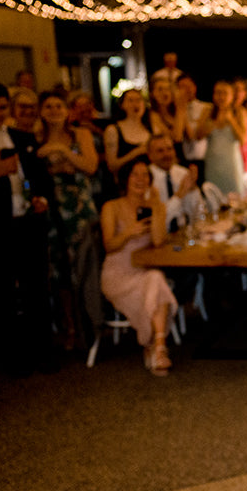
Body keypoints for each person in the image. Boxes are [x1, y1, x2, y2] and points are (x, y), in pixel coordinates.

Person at [0, 80, 56, 376]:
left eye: (1, 107)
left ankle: (42, 354)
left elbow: (39, 179)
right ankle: (11, 360)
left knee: (37, 292)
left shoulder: (22, 138)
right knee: (2, 297)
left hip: (28, 226)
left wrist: (40, 198)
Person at [36, 90, 103, 350]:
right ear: (42, 111)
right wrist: (61, 164)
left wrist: (61, 150)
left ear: (67, 111)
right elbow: (37, 172)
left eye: (59, 106)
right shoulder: (36, 138)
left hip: (80, 207)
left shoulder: (80, 135)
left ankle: (90, 322)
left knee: (85, 264)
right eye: (49, 106)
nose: (54, 111)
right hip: (53, 209)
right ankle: (69, 326)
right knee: (59, 269)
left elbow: (90, 166)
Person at [100, 159, 178, 376]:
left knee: (154, 278)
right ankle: (157, 347)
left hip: (144, 271)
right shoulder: (112, 206)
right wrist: (128, 232)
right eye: (135, 174)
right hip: (117, 273)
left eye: (145, 175)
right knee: (156, 280)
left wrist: (155, 209)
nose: (140, 179)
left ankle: (156, 348)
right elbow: (108, 246)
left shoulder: (156, 206)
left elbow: (159, 241)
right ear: (125, 179)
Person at [147, 133, 203, 232]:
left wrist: (193, 188)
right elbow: (158, 219)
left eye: (169, 149)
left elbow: (196, 211)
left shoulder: (182, 173)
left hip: (183, 232)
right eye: (160, 151)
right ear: (150, 155)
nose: (167, 154)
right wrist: (179, 195)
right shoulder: (145, 179)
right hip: (160, 237)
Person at [199, 80, 245, 196]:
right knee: (214, 196)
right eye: (218, 93)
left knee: (235, 195)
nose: (221, 97)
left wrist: (232, 121)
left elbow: (243, 140)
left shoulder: (238, 112)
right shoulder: (208, 111)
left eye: (225, 93)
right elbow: (197, 136)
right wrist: (210, 126)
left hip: (231, 162)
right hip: (213, 161)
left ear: (232, 95)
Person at [104, 89, 153, 175]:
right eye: (130, 100)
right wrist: (135, 153)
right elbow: (112, 166)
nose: (135, 104)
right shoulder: (113, 130)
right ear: (122, 105)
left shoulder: (152, 129)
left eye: (139, 100)